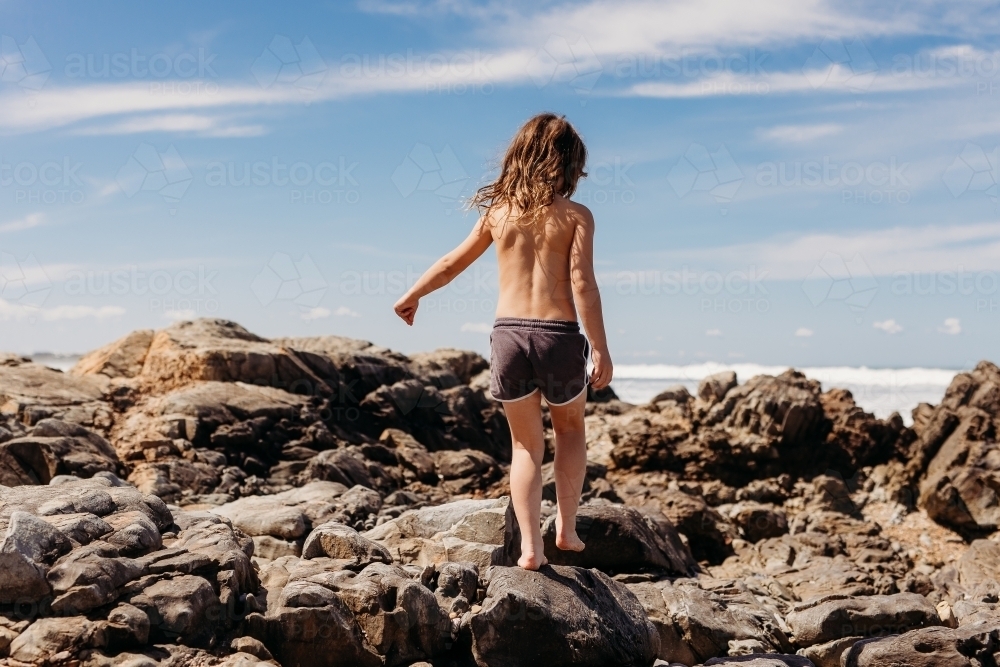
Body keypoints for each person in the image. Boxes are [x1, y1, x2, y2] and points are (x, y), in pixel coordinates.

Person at [393, 113, 612, 570]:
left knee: (525, 446)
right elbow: (583, 285)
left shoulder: (499, 212)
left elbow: (453, 263)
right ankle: (566, 529)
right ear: (572, 165)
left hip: (509, 335)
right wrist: (602, 348)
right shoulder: (576, 216)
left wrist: (414, 293)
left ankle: (530, 548)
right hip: (558, 336)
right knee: (570, 431)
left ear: (519, 156)